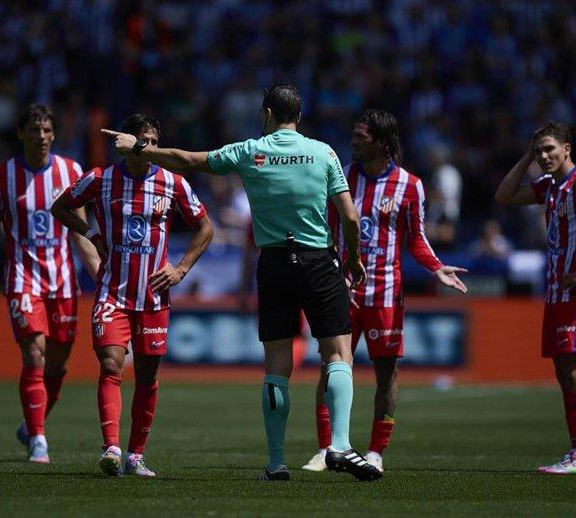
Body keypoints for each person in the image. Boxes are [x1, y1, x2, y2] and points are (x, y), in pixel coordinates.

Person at [101, 84, 382, 481]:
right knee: (337, 354)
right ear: (298, 117)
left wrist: (139, 149)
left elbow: (186, 160)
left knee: (276, 367)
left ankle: (276, 462)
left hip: (274, 263)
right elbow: (350, 218)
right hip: (319, 259)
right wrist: (352, 259)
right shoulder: (324, 153)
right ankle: (338, 445)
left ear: (267, 113)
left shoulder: (251, 150)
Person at [302, 109, 468, 474]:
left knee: (386, 375)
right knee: (331, 368)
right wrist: (329, 272)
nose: (354, 140)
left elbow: (417, 239)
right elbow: (325, 229)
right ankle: (326, 448)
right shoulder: (340, 175)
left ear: (381, 142)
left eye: (361, 136)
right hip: (343, 291)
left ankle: (376, 450)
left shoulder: (410, 185)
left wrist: (436, 267)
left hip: (386, 295)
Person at [51, 114, 213, 477]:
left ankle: (135, 455)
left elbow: (205, 227)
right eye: (144, 140)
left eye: (156, 141)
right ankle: (111, 447)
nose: (151, 147)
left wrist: (181, 269)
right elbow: (60, 206)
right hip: (113, 293)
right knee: (110, 363)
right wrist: (90, 233)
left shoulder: (173, 183)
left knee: (147, 375)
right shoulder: (102, 179)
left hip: (153, 298)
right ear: (126, 142)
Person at [0, 104, 101, 463]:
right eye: (35, 130)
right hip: (22, 279)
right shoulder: (1, 176)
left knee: (59, 365)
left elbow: (81, 232)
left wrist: (101, 274)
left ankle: (30, 423)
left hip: (63, 282)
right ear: (21, 134)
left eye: (48, 130)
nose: (42, 137)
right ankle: (38, 439)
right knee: (34, 352)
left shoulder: (71, 171)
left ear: (54, 134)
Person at [495, 121, 576, 474]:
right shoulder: (549, 186)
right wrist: (526, 156)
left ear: (567, 148)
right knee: (563, 369)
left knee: (575, 369)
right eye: (539, 151)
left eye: (550, 148)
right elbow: (504, 196)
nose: (544, 156)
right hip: (557, 289)